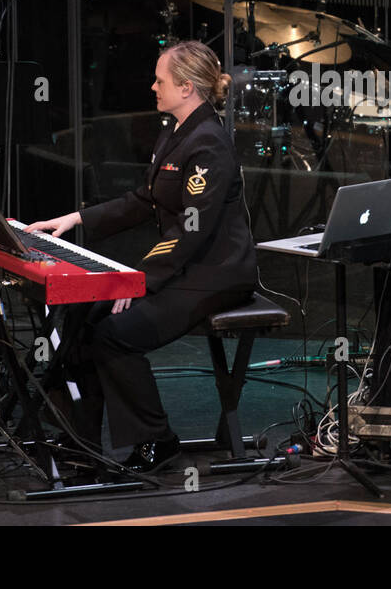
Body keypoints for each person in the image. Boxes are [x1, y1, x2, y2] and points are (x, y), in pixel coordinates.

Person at [27, 40, 258, 470]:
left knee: (116, 331)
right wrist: (77, 218)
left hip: (214, 273)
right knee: (86, 314)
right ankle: (79, 437)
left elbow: (192, 228)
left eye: (160, 80)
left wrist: (140, 282)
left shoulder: (208, 144)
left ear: (187, 87)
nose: (152, 86)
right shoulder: (174, 129)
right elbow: (144, 199)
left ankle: (158, 440)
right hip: (184, 263)